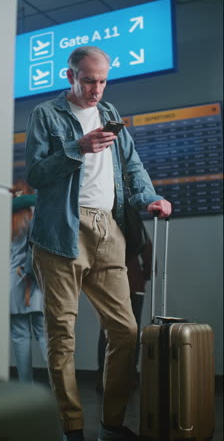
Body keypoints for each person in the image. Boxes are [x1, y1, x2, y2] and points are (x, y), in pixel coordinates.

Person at [25, 46, 171, 441]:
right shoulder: (46, 114)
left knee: (125, 331)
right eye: (88, 80)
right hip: (60, 230)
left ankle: (111, 423)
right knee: (62, 335)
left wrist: (150, 198)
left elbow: (133, 166)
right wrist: (78, 148)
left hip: (108, 228)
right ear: (69, 76)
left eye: (102, 80)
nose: (96, 89)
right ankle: (72, 427)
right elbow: (35, 174)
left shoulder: (110, 114)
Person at [96, 238, 153, 392]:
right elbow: (149, 253)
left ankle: (103, 376)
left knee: (107, 330)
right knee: (132, 331)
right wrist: (143, 276)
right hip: (134, 284)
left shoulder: (106, 220)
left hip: (110, 285)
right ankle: (130, 377)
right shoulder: (135, 222)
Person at [10, 181, 47, 382]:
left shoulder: (5, 217)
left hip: (13, 282)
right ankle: (59, 384)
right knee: (44, 334)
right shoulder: (36, 214)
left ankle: (26, 385)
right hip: (35, 279)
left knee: (19, 337)